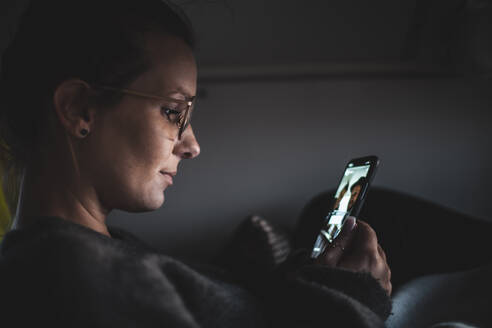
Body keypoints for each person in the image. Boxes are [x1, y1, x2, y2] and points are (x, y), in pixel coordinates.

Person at [0, 0, 392, 327]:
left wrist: (314, 281)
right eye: (173, 112)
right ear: (79, 110)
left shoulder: (99, 250)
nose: (192, 146)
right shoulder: (75, 273)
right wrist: (356, 299)